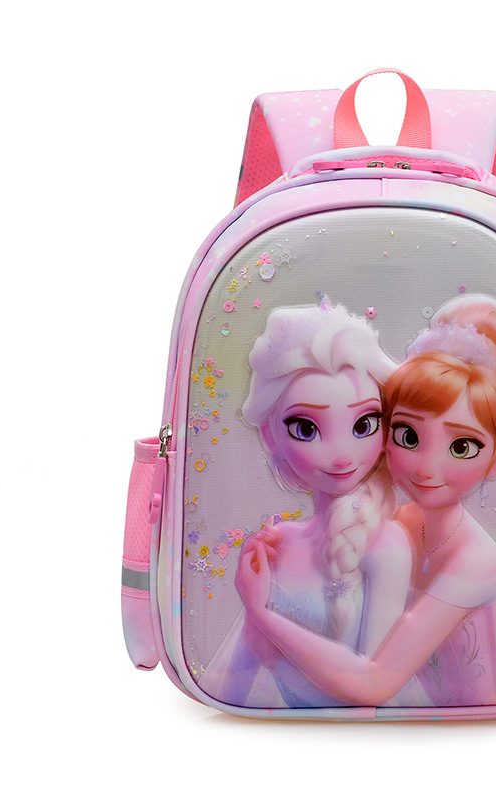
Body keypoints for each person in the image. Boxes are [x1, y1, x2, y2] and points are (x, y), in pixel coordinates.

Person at [237, 295, 496, 707]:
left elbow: (375, 683)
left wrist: (262, 614)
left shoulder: (476, 562)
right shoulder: (398, 524)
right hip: (419, 725)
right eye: (408, 436)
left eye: (461, 446)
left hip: (485, 735)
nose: (426, 467)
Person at [200, 298, 416, 708]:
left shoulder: (385, 543)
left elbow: (373, 689)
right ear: (269, 435)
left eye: (364, 424)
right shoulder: (277, 541)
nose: (341, 456)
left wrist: (261, 614)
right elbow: (234, 682)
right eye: (305, 428)